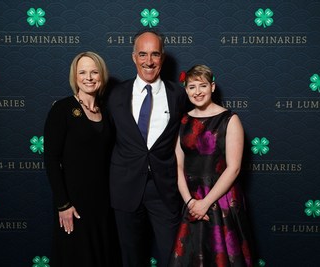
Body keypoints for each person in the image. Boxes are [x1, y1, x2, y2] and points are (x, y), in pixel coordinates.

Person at [107, 30, 188, 267]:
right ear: (134, 57)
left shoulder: (178, 95)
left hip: (164, 189)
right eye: (142, 54)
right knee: (131, 258)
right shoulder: (116, 94)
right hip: (125, 187)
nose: (148, 61)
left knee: (172, 257)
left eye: (154, 54)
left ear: (162, 58)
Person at [169, 64, 253, 267]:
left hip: (221, 201)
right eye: (191, 87)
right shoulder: (183, 121)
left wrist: (205, 203)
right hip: (191, 201)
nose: (197, 92)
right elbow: (178, 166)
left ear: (212, 87)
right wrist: (190, 203)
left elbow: (234, 168)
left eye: (202, 85)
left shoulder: (230, 120)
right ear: (186, 89)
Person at [44, 51, 113, 266]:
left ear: (102, 75)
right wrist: (63, 204)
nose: (89, 77)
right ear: (75, 77)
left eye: (94, 72)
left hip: (103, 203)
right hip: (75, 204)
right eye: (82, 72)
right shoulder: (62, 109)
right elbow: (51, 159)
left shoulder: (107, 111)